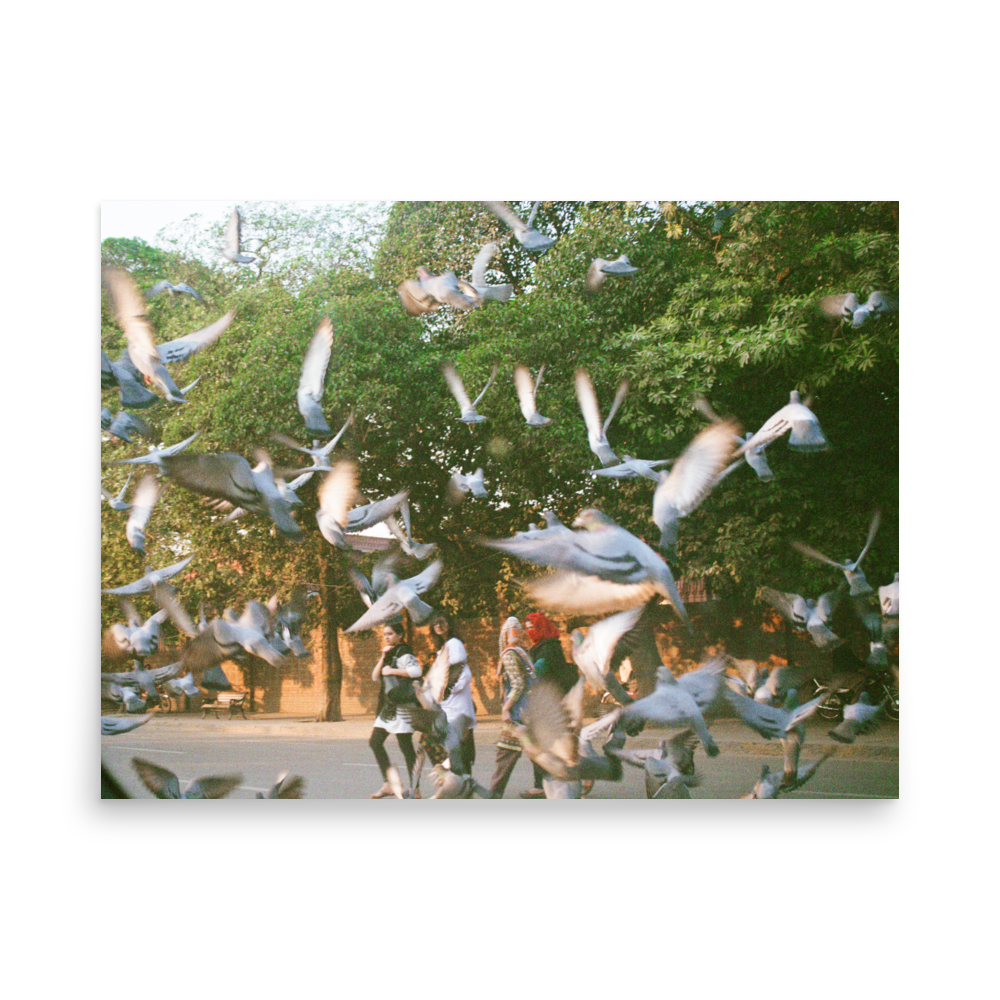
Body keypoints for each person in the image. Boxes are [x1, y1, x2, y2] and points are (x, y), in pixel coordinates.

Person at [520, 611, 581, 798]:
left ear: (542, 627)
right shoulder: (541, 646)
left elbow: (538, 670)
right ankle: (547, 783)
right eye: (527, 628)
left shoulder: (549, 647)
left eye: (533, 627)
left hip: (551, 702)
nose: (530, 631)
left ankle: (546, 784)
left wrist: (520, 670)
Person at [368, 619, 422, 798]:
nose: (386, 637)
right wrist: (383, 658)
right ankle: (388, 783)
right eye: (384, 635)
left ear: (400, 635)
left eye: (390, 634)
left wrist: (392, 671)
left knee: (406, 747)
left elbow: (416, 672)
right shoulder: (389, 653)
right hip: (389, 706)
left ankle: (416, 789)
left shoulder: (404, 652)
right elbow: (376, 677)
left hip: (402, 705)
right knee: (375, 742)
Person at [488, 617, 535, 799]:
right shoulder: (522, 651)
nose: (516, 633)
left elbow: (518, 684)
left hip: (518, 712)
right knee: (538, 751)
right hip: (532, 709)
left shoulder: (509, 654)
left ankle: (494, 794)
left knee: (505, 754)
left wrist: (506, 708)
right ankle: (551, 787)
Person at [428, 611, 477, 775]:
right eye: (435, 623)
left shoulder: (454, 644)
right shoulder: (443, 648)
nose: (439, 625)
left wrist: (445, 690)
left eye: (442, 622)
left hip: (457, 704)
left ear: (449, 624)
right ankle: (460, 784)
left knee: (457, 747)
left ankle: (462, 785)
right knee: (454, 747)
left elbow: (464, 675)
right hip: (448, 704)